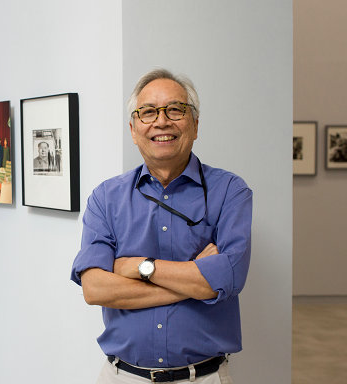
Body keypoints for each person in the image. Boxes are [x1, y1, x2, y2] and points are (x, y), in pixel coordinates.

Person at [71, 69, 252, 384]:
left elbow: (226, 280)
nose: (162, 121)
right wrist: (191, 280)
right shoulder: (105, 197)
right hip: (122, 377)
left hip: (203, 378)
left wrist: (139, 266)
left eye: (175, 110)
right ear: (133, 128)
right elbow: (95, 288)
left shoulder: (230, 192)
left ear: (195, 125)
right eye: (148, 112)